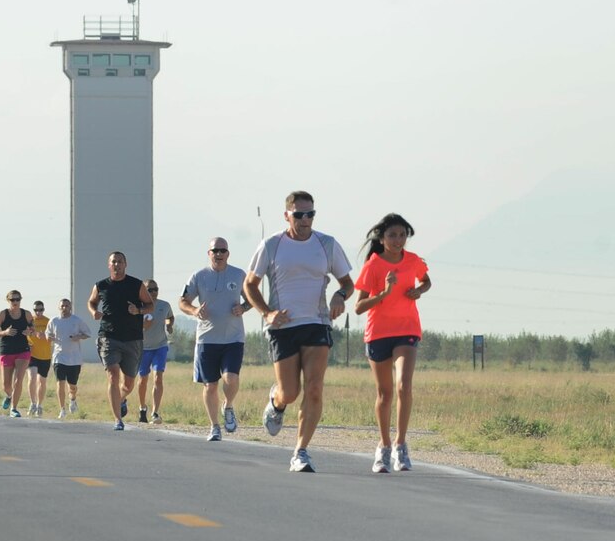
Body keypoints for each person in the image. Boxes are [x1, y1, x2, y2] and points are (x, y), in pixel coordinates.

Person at [244, 190, 355, 472]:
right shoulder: (272, 245)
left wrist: (340, 296)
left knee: (315, 388)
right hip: (283, 326)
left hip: (317, 322)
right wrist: (267, 312)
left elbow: (347, 282)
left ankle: (301, 452)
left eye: (310, 214)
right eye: (299, 215)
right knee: (290, 392)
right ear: (287, 216)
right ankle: (276, 401)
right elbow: (250, 285)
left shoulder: (326, 244)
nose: (305, 220)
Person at [353, 213, 432, 473]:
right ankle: (384, 446)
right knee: (385, 394)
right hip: (378, 333)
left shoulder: (412, 261)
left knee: (403, 386)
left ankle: (401, 444)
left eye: (402, 235)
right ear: (382, 238)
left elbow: (426, 280)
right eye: (392, 236)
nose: (398, 240)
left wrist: (419, 290)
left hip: (407, 330)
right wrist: (384, 294)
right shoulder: (373, 265)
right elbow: (359, 307)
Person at [180, 237, 249, 442]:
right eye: (215, 251)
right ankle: (214, 427)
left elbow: (252, 297)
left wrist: (243, 307)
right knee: (210, 386)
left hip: (233, 338)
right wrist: (194, 311)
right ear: (208, 253)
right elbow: (183, 301)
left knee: (231, 379)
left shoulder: (238, 274)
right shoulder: (199, 276)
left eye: (222, 251)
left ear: (228, 254)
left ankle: (228, 406)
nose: (219, 254)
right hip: (207, 339)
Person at [88, 250, 152, 431]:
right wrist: (94, 312)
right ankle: (118, 419)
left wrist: (138, 311)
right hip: (108, 336)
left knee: (129, 383)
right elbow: (91, 302)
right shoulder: (101, 285)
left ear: (125, 264)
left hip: (132, 339)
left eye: (120, 262)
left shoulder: (136, 284)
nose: (117, 265)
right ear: (109, 265)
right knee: (113, 375)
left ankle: (121, 398)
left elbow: (150, 305)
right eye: (113, 262)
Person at [134, 279, 176, 424]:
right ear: (143, 291)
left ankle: (155, 413)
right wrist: (144, 326)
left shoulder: (164, 305)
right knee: (142, 380)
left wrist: (169, 325)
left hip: (160, 346)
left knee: (158, 377)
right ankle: (142, 408)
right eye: (149, 290)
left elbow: (170, 317)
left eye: (155, 289)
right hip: (143, 348)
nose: (153, 292)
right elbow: (130, 328)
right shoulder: (137, 307)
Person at [47, 298, 93, 418]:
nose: (64, 308)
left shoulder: (77, 321)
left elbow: (87, 333)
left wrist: (78, 336)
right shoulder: (54, 321)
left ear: (70, 307)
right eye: (62, 306)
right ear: (59, 307)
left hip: (74, 358)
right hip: (59, 356)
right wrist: (50, 337)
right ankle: (62, 409)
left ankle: (72, 400)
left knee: (72, 385)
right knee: (60, 383)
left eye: (67, 306)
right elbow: (48, 334)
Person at [0, 290, 32, 418]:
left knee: (18, 381)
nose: (15, 302)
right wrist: (5, 332)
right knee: (6, 385)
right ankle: (9, 396)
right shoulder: (3, 314)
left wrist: (30, 331)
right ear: (8, 301)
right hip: (7, 350)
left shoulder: (27, 314)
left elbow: (33, 329)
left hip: (23, 350)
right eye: (12, 300)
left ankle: (14, 408)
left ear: (20, 300)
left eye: (17, 299)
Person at [26, 299, 53, 418]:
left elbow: (54, 336)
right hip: (32, 354)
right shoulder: (29, 321)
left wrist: (46, 336)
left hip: (45, 355)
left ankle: (39, 405)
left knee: (41, 381)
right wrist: (28, 342)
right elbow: (24, 334)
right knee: (32, 377)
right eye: (36, 310)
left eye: (40, 310)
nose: (38, 312)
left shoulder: (48, 321)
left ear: (43, 309)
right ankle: (32, 403)